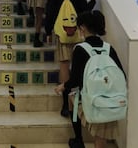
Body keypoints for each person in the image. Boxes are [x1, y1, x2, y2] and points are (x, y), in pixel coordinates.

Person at [54, 10, 126, 148]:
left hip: (92, 101)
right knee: (101, 137)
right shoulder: (109, 48)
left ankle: (78, 139)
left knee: (71, 98)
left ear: (83, 28)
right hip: (112, 100)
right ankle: (81, 140)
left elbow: (75, 80)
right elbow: (121, 75)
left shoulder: (80, 49)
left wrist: (63, 86)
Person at [45, 0, 96, 118]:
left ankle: (65, 104)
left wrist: (47, 32)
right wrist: (92, 0)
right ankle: (80, 99)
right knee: (79, 65)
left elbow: (50, 13)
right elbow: (83, 12)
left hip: (61, 35)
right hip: (78, 34)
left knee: (64, 65)